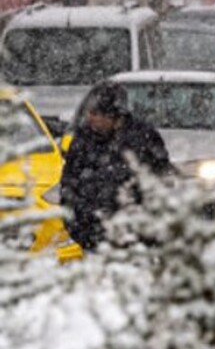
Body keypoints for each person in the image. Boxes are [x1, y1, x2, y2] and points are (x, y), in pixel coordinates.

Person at [62, 82, 173, 251]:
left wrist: (147, 232)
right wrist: (79, 229)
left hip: (137, 242)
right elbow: (69, 184)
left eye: (95, 113)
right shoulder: (83, 139)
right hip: (94, 240)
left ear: (112, 116)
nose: (89, 118)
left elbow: (161, 183)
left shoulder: (144, 138)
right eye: (88, 113)